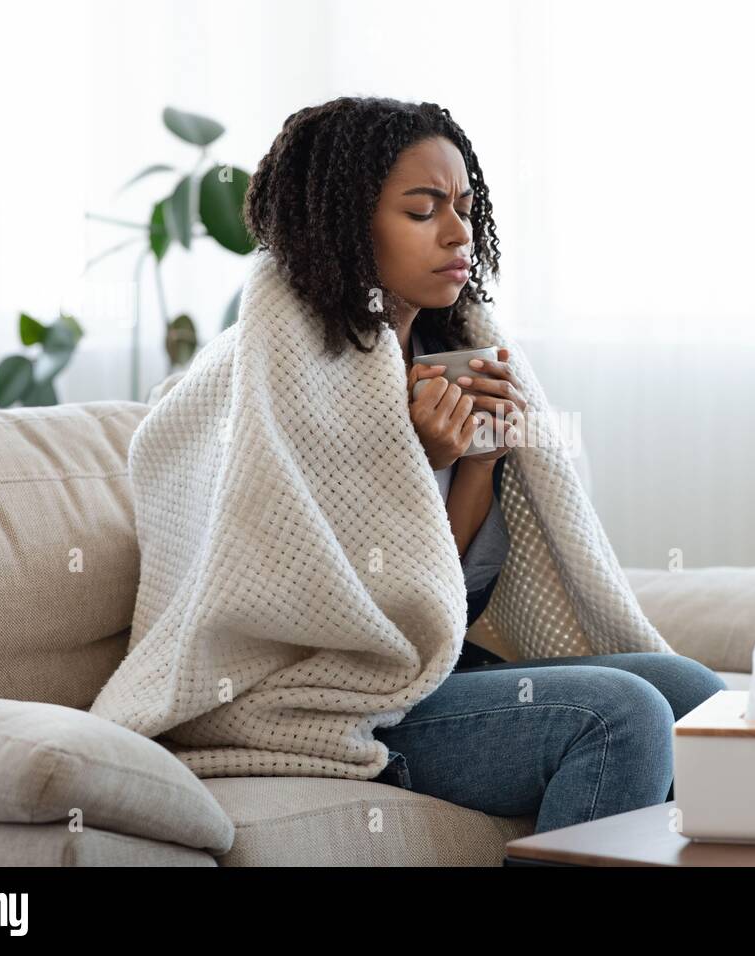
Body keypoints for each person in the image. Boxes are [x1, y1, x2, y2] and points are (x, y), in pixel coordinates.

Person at [242, 96, 726, 833]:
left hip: (435, 672)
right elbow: (356, 617)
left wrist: (477, 463)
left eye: (465, 207)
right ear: (344, 226)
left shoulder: (450, 352)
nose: (458, 232)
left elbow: (449, 606)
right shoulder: (284, 374)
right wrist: (418, 463)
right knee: (620, 717)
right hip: (341, 700)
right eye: (422, 209)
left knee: (696, 696)